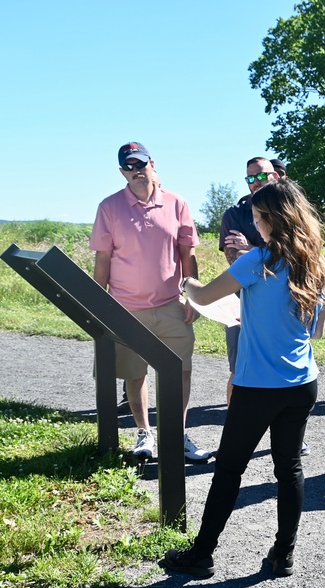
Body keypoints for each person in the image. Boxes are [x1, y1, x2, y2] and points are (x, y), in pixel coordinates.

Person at [164, 178, 325, 578]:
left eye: (257, 218)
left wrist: (184, 282)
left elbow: (204, 297)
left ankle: (202, 554)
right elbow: (317, 333)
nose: (255, 225)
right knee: (289, 468)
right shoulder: (319, 265)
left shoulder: (257, 260)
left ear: (271, 219)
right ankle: (283, 554)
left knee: (229, 469)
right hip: (302, 382)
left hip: (257, 384)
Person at [90, 141, 212, 464]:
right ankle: (145, 433)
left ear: (152, 163)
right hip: (125, 309)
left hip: (171, 303)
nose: (136, 171)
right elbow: (102, 262)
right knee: (135, 373)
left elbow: (188, 255)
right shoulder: (109, 207)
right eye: (129, 167)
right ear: (122, 172)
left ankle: (178, 432)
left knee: (181, 370)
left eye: (140, 164)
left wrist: (193, 297)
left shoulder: (177, 203)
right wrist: (97, 307)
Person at [219, 157, 280, 404]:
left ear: (275, 176)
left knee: (281, 367)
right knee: (239, 369)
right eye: (250, 178)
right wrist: (268, 251)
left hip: (281, 303)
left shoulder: (290, 212)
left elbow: (295, 256)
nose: (256, 182)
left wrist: (251, 248)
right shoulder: (235, 214)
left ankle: (289, 436)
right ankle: (235, 430)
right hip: (242, 304)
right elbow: (235, 262)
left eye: (261, 176)